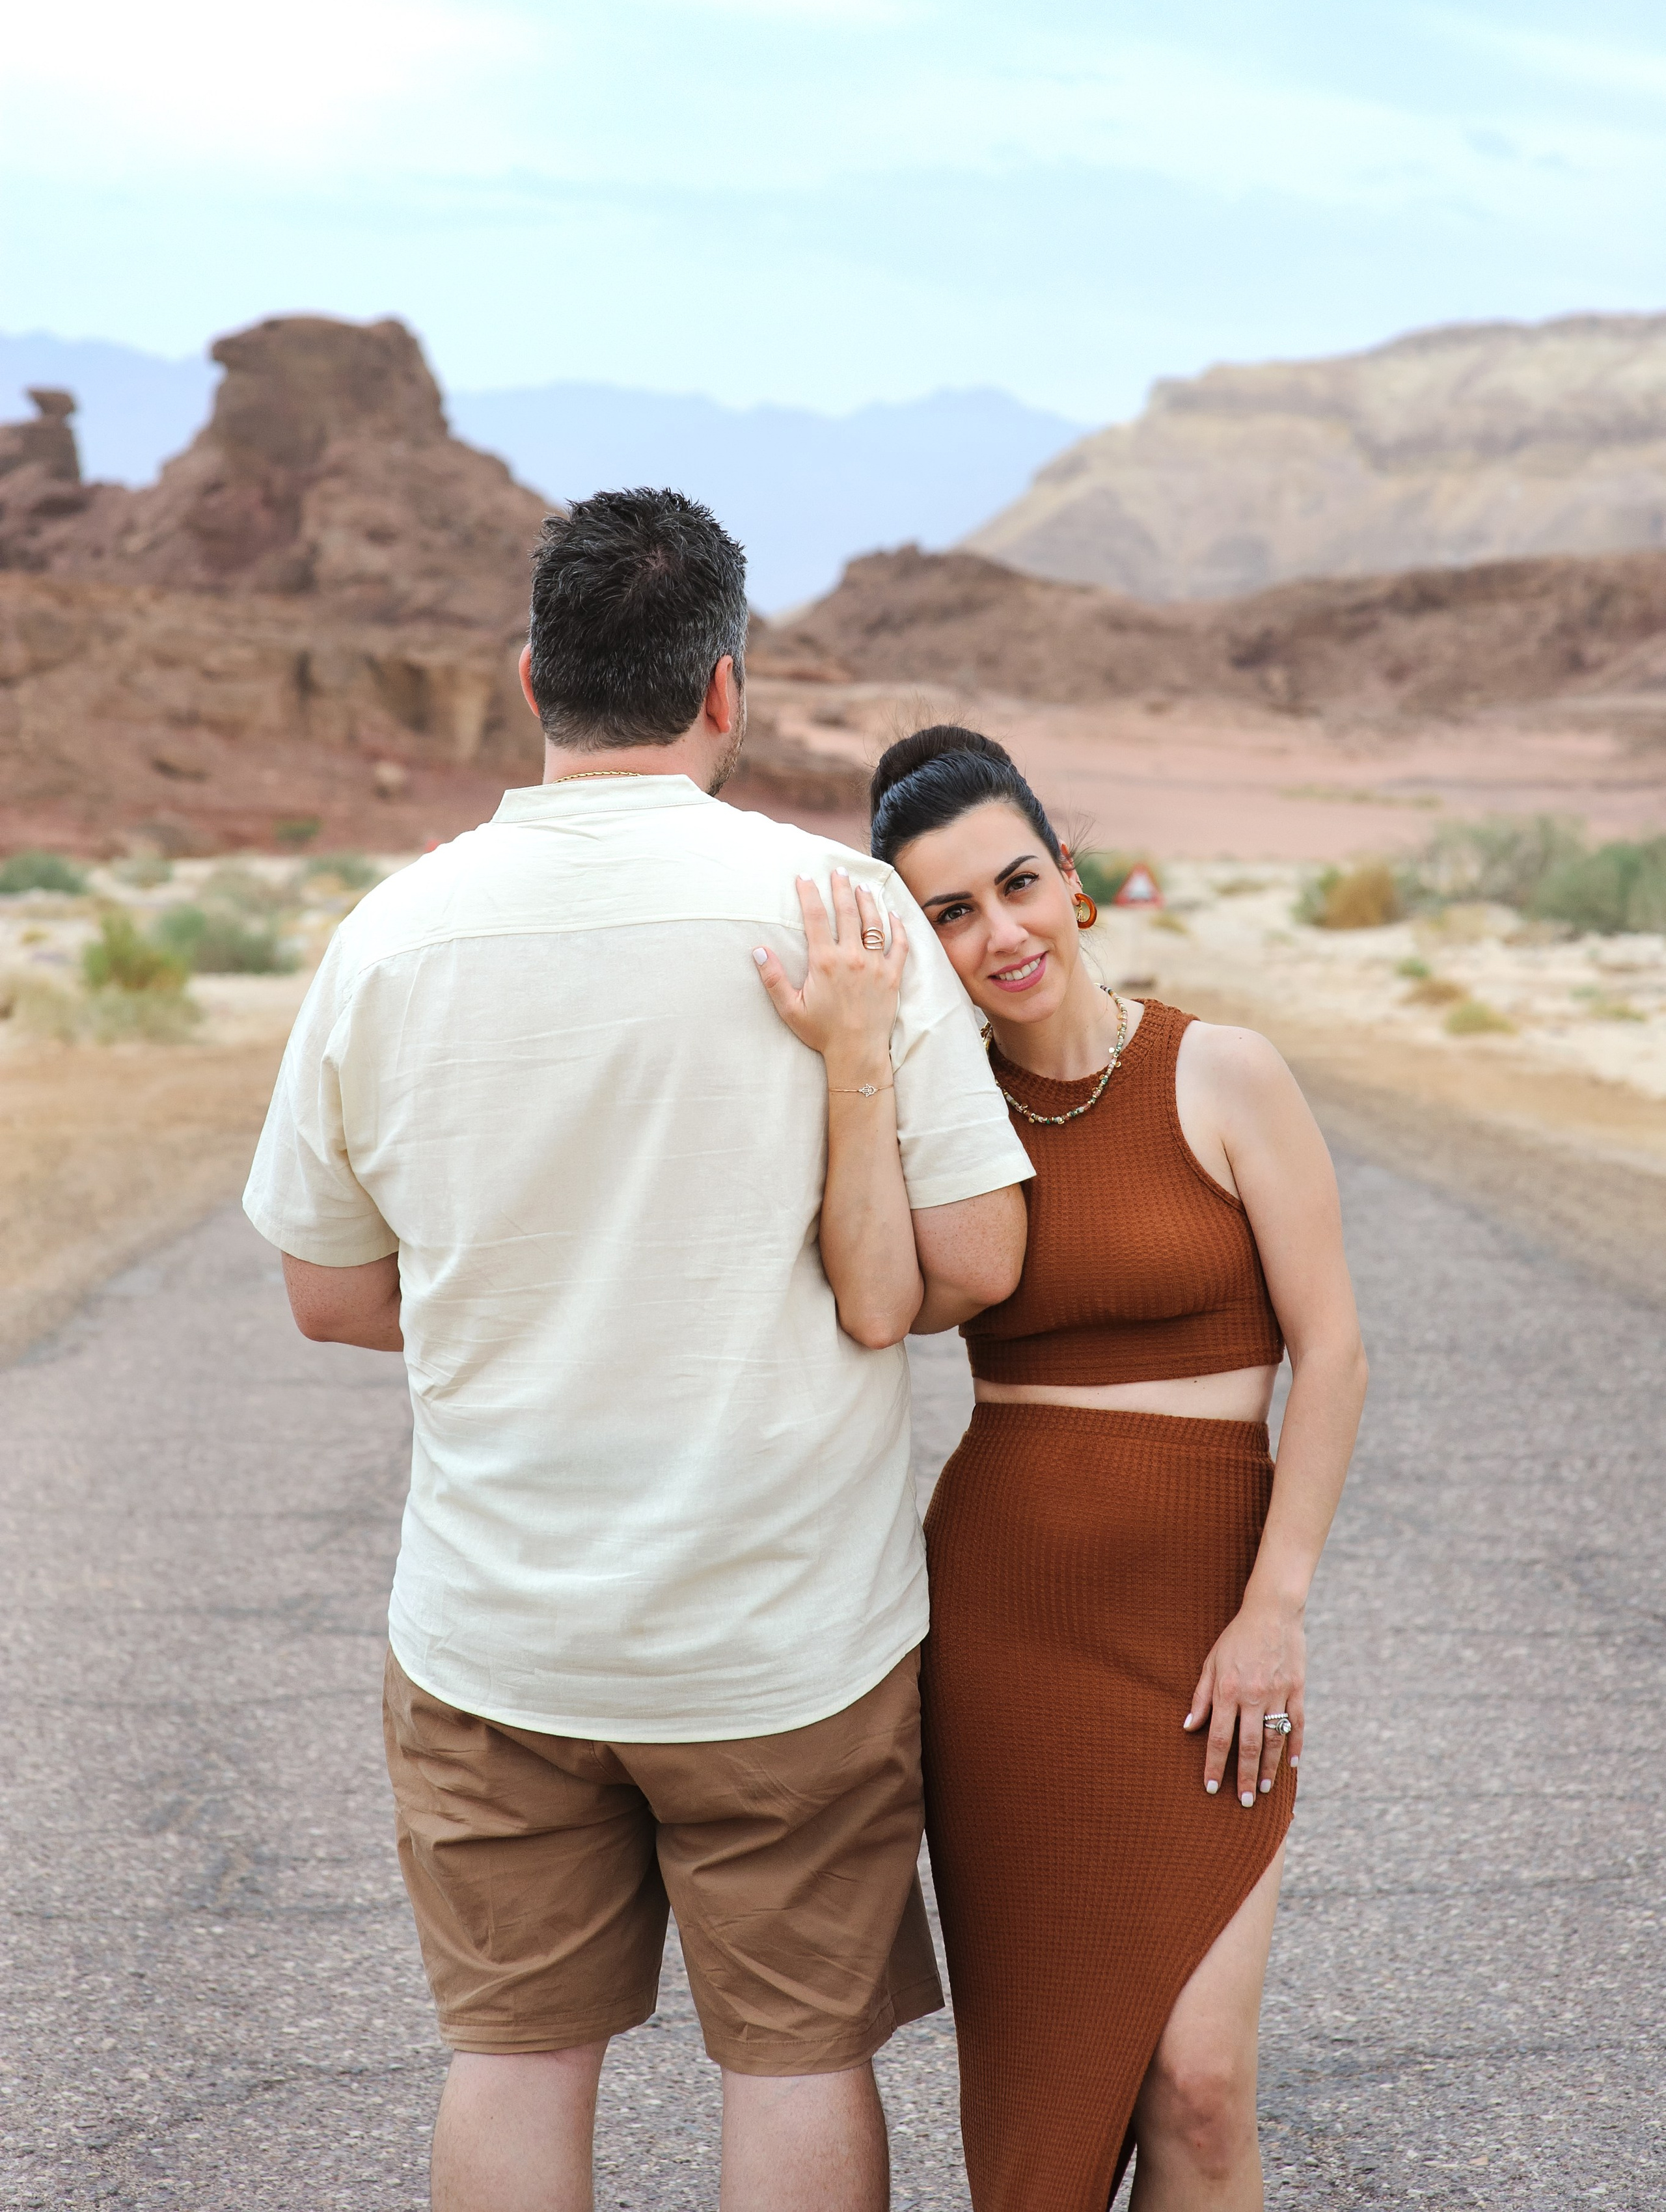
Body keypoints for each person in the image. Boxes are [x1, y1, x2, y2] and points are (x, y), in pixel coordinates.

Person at [244, 496, 1033, 2212]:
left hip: (496, 1640)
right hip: (787, 1644)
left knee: (516, 2061)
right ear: (727, 693)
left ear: (534, 678)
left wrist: (509, 1296)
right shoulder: (843, 915)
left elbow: (324, 1292)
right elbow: (973, 1261)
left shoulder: (388, 938)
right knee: (799, 2061)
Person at [864, 724, 1369, 2211]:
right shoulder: (935, 1115)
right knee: (1055, 2090)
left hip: (1209, 1622)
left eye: (1013, 882)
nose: (997, 931)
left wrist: (1272, 1607)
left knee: (1201, 2088)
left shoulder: (1220, 1072)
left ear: (1069, 878)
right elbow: (861, 1310)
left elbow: (1329, 1354)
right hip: (1006, 1634)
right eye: (948, 913)